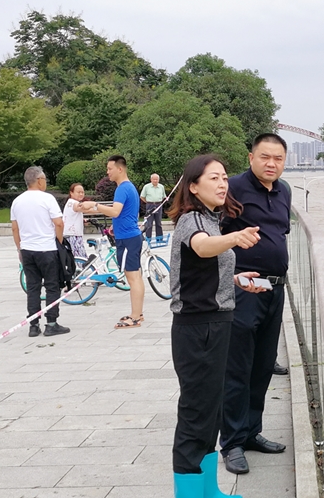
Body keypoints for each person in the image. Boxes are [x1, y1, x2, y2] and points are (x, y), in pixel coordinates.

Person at [167, 154, 264, 498]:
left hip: (216, 322)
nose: (223, 184)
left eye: (224, 177)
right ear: (193, 186)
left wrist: (234, 279)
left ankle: (209, 490)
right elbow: (202, 248)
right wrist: (235, 239)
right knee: (196, 416)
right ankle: (190, 494)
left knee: (210, 413)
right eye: (214, 178)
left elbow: (202, 268)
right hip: (198, 328)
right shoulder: (191, 220)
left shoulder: (211, 220)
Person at [220, 133, 292, 475]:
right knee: (239, 367)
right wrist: (233, 274)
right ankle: (231, 442)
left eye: (278, 158)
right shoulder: (232, 188)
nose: (271, 164)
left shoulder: (284, 191)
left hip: (276, 288)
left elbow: (280, 236)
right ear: (251, 157)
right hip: (245, 288)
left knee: (263, 366)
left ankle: (251, 432)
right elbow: (212, 237)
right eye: (265, 157)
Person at [80, 155, 144, 328]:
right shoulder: (129, 188)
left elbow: (115, 211)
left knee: (133, 278)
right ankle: (136, 313)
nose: (107, 172)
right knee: (135, 276)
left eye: (110, 168)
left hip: (129, 238)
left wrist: (94, 205)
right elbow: (126, 213)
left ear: (120, 169)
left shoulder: (123, 188)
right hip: (129, 236)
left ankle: (136, 317)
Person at [10, 167, 71, 338]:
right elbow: (59, 223)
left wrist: (19, 248)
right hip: (46, 248)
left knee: (33, 287)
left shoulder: (17, 201)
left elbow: (15, 228)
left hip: (27, 249)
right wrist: (58, 242)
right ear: (39, 180)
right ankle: (51, 323)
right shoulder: (47, 199)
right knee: (52, 286)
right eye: (44, 179)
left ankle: (34, 325)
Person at [62, 183, 88, 259]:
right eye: (78, 192)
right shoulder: (74, 203)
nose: (81, 194)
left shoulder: (70, 203)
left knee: (76, 258)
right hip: (73, 235)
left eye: (82, 192)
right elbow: (85, 209)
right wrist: (100, 208)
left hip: (70, 234)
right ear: (71, 193)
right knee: (80, 258)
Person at [140, 173, 167, 240]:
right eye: (154, 179)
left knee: (158, 223)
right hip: (150, 205)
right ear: (151, 179)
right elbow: (142, 196)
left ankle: (159, 238)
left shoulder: (161, 187)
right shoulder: (146, 187)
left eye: (156, 179)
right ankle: (148, 238)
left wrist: (166, 199)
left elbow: (164, 196)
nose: (155, 180)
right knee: (149, 223)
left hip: (158, 205)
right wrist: (147, 202)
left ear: (158, 180)